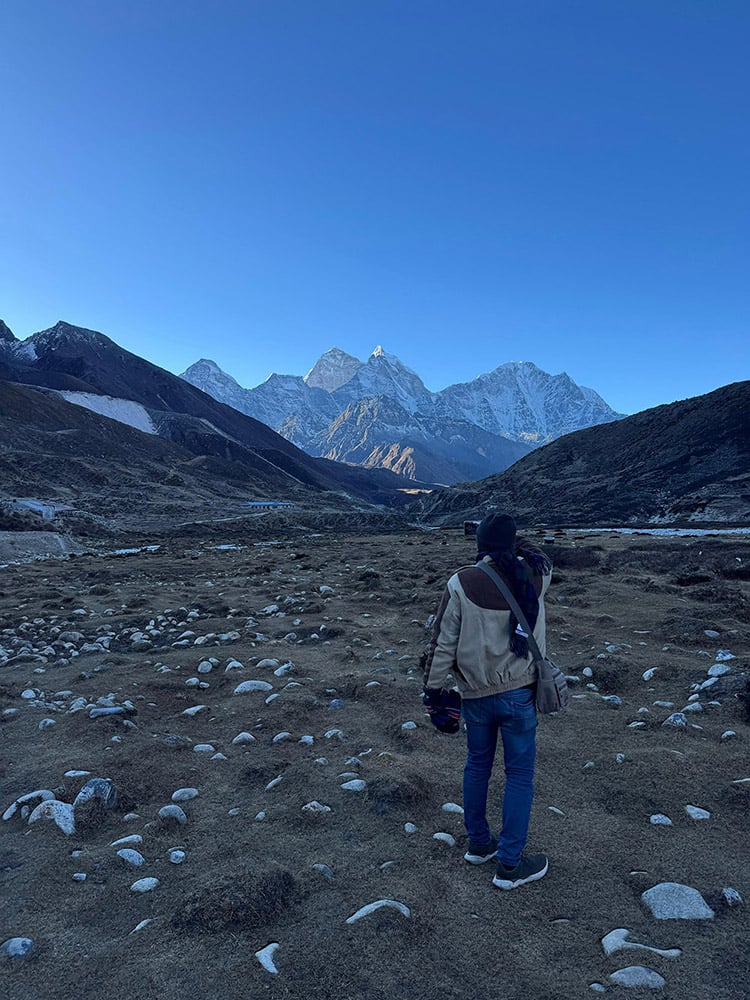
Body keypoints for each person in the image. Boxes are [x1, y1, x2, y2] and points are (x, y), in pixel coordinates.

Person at [422, 513, 553, 890]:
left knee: (477, 766)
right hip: (520, 694)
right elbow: (543, 557)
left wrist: (434, 691)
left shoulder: (461, 582)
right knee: (520, 775)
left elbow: (442, 643)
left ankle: (479, 844)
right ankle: (510, 864)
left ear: (479, 544)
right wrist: (516, 544)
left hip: (475, 695)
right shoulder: (535, 575)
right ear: (513, 542)